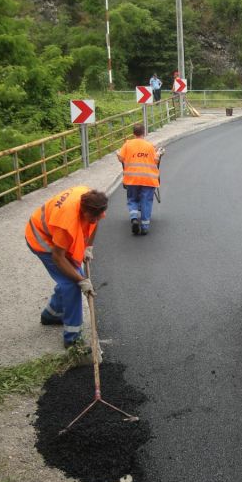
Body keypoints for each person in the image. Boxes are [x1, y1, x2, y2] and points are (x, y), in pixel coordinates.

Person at [27, 186, 108, 348]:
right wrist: (81, 280)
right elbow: (58, 257)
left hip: (55, 234)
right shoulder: (66, 223)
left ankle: (51, 315)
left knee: (68, 278)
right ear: (84, 212)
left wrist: (88, 247)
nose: (95, 220)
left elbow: (94, 223)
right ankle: (73, 339)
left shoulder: (91, 201)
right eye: (93, 217)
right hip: (42, 240)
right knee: (71, 283)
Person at [116, 123, 163, 235]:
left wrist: (118, 154)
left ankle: (134, 218)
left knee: (132, 199)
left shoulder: (127, 145)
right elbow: (156, 160)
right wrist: (160, 153)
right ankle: (145, 226)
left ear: (133, 133)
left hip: (132, 179)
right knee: (146, 201)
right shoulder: (150, 146)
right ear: (144, 133)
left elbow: (121, 158)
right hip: (148, 179)